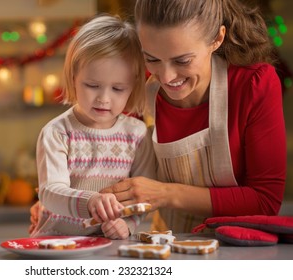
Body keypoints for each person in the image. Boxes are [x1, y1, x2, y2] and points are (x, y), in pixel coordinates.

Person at [99, 0, 287, 233]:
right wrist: (61, 205)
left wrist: (166, 194)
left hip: (239, 252)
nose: (166, 77)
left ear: (217, 39)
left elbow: (265, 202)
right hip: (165, 248)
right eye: (152, 59)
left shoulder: (253, 85)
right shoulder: (137, 90)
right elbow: (108, 167)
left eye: (182, 61)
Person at [29, 14, 156, 239]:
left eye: (118, 89)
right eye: (92, 85)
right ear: (73, 76)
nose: (104, 98)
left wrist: (127, 225)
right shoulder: (57, 133)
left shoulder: (137, 135)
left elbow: (143, 195)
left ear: (133, 85)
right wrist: (91, 202)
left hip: (109, 245)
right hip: (56, 244)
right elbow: (50, 193)